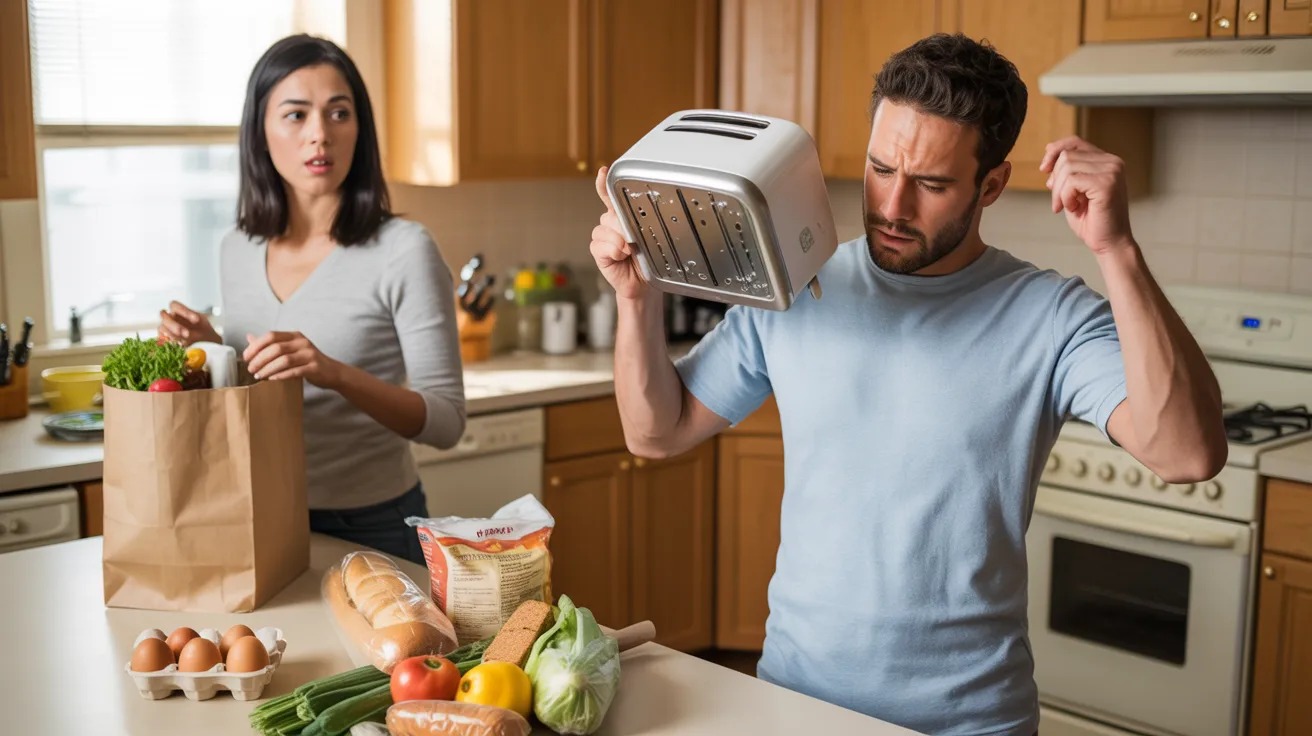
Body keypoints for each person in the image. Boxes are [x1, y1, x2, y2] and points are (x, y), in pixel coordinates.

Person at [588, 33, 1227, 736]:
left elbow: (1187, 455)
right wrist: (634, 299)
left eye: (930, 184)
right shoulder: (800, 281)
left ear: (991, 185)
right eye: (880, 167)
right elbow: (656, 431)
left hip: (966, 723)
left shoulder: (1050, 316)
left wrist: (1117, 249)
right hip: (794, 703)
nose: (893, 205)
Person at [158, 35, 465, 565]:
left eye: (338, 113)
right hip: (258, 513)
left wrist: (333, 372)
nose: (319, 135)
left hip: (372, 523)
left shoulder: (403, 250)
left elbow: (446, 422)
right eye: (296, 115)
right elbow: (258, 393)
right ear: (261, 131)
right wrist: (213, 352)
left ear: (359, 129)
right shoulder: (237, 248)